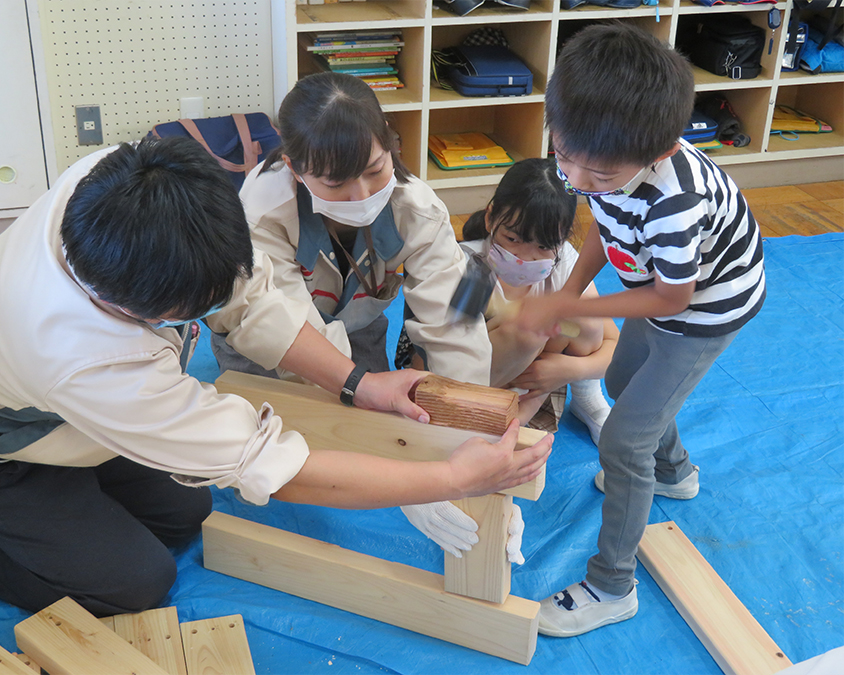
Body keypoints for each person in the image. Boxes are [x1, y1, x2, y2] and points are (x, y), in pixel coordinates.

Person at [0, 137, 551, 617]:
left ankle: (55, 508)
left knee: (182, 516)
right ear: (137, 309)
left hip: (63, 407)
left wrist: (357, 383)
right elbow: (268, 463)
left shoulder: (126, 182)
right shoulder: (84, 358)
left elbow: (251, 300)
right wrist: (441, 476)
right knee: (135, 582)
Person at [512, 24, 766, 637]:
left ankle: (611, 585)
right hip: (661, 286)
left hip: (705, 312)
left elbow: (672, 296)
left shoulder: (675, 204)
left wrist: (572, 312)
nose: (573, 177)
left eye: (596, 173)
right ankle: (674, 473)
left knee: (624, 442)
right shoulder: (601, 165)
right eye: (562, 152)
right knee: (626, 377)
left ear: (657, 151)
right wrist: (570, 294)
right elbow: (605, 222)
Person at [210, 71, 504, 562]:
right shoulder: (260, 212)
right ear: (294, 168)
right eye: (336, 183)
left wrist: (474, 429)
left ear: (391, 146)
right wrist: (413, 480)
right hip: (268, 346)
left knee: (381, 413)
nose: (361, 193)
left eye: (374, 169)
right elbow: (284, 331)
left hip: (360, 323)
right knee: (277, 443)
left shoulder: (418, 206)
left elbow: (455, 322)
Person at [459, 158, 618, 442]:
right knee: (530, 332)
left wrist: (568, 370)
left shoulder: (564, 261)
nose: (526, 257)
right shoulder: (468, 268)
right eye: (513, 239)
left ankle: (587, 399)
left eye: (545, 246)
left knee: (582, 320)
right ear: (490, 217)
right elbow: (438, 366)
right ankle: (503, 430)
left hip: (535, 381)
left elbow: (611, 345)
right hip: (476, 381)